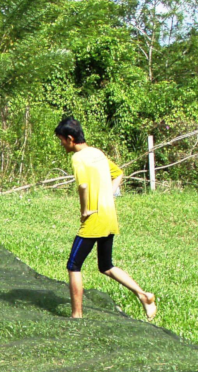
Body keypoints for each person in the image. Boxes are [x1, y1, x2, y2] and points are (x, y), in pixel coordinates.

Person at [55, 117, 157, 320]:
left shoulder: (78, 158)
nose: (61, 145)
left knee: (73, 265)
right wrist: (108, 195)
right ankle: (144, 295)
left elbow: (83, 186)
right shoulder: (97, 154)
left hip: (94, 219)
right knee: (106, 266)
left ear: (70, 138)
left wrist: (85, 211)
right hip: (109, 216)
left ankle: (77, 315)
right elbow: (118, 173)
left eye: (62, 140)